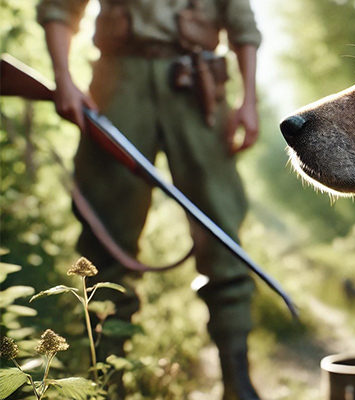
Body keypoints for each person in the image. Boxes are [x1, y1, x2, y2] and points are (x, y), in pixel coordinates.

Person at [37, 0, 261, 398]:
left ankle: (236, 378)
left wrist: (249, 101)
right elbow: (59, 7)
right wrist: (63, 79)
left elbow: (241, 21)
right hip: (117, 83)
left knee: (222, 231)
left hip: (199, 88)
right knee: (105, 234)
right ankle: (106, 379)